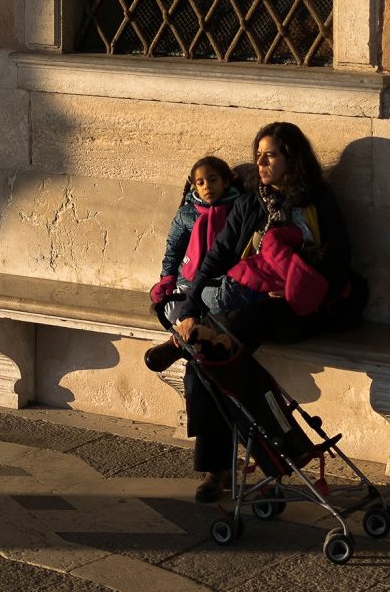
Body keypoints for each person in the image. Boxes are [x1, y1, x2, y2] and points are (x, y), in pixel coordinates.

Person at [152, 121, 367, 503]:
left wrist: (296, 285)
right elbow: (216, 257)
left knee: (223, 342)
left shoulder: (317, 200)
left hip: (303, 307)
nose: (261, 163)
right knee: (209, 361)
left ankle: (239, 459)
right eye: (258, 155)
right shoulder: (251, 201)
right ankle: (226, 467)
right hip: (248, 299)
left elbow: (339, 259)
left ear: (292, 158)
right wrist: (189, 308)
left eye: (270, 155)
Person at [147, 156, 241, 333]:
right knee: (169, 312)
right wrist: (168, 278)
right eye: (201, 182)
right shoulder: (186, 214)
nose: (207, 186)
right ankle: (189, 325)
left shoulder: (236, 210)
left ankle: (196, 324)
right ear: (195, 187)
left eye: (213, 180)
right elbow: (174, 249)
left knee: (217, 302)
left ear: (226, 182)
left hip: (217, 279)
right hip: (188, 279)